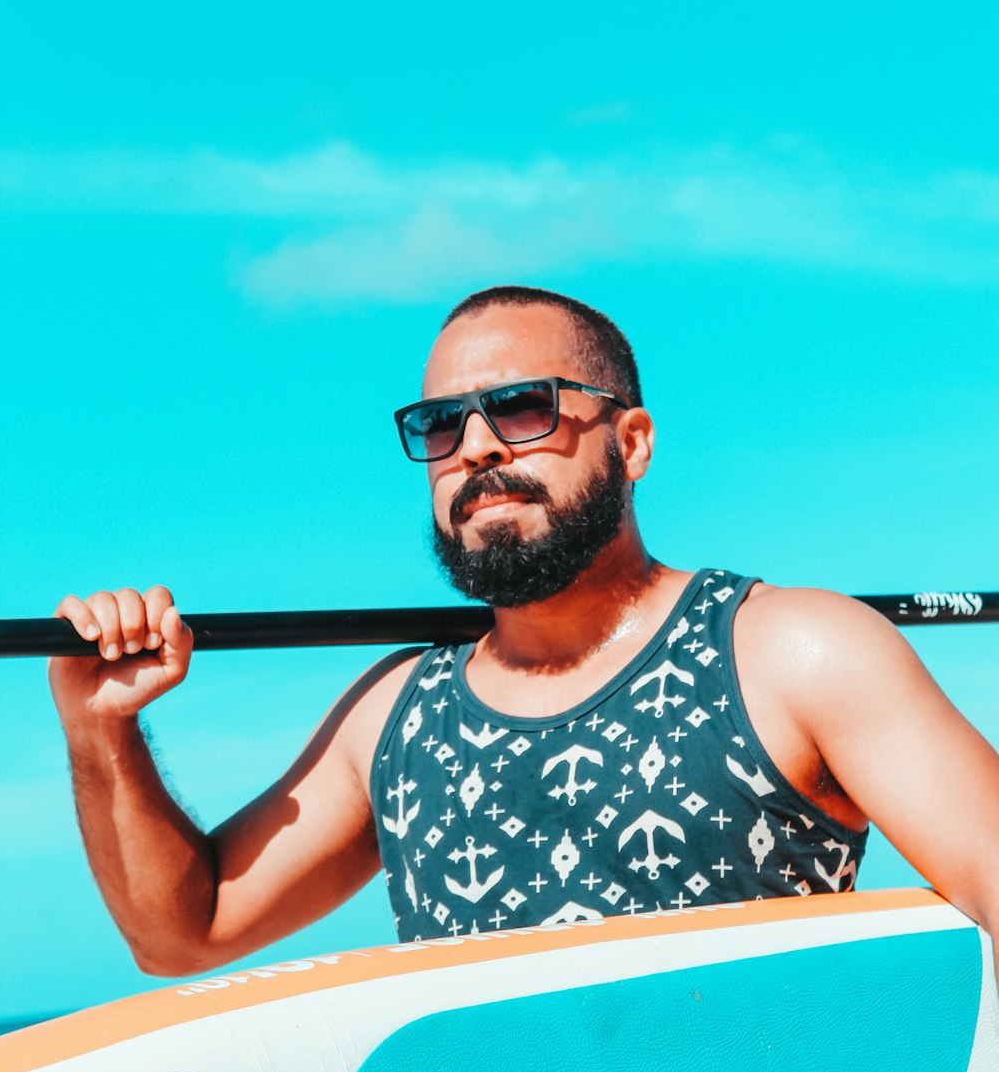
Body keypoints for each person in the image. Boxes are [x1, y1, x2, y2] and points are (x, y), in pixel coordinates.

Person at [49, 286, 999, 973]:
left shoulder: (794, 652)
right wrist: (103, 730)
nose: (478, 447)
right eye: (440, 425)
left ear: (630, 443)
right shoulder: (394, 717)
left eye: (522, 406)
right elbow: (183, 931)